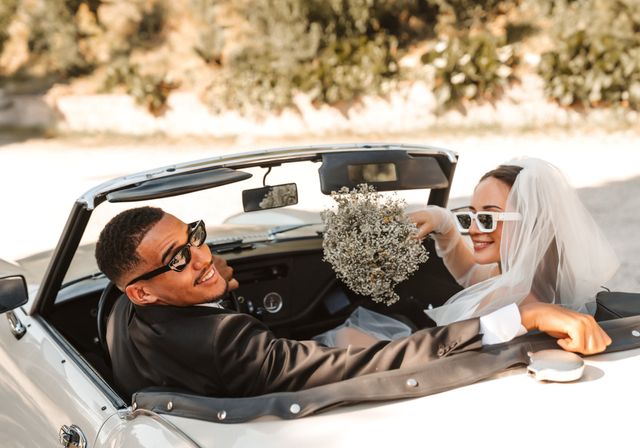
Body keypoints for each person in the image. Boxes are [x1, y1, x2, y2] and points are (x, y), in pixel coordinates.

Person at [95, 206, 611, 399]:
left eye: (196, 237)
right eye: (179, 258)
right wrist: (509, 321)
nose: (205, 256)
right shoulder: (220, 341)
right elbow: (366, 363)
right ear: (140, 290)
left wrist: (211, 287)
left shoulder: (131, 312)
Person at [410, 157, 620, 326]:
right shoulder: (540, 275)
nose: (472, 230)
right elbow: (470, 274)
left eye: (488, 218)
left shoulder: (505, 296)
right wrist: (444, 223)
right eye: (471, 216)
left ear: (532, 222)